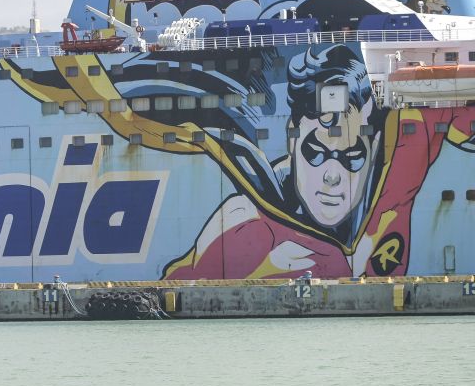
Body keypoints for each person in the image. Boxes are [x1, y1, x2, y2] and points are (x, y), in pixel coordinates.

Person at [164, 45, 475, 279]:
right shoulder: (247, 226)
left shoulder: (399, 167)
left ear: (374, 143)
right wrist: (261, 270)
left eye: (351, 157)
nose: (332, 175)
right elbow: (177, 282)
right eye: (316, 153)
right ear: (292, 137)